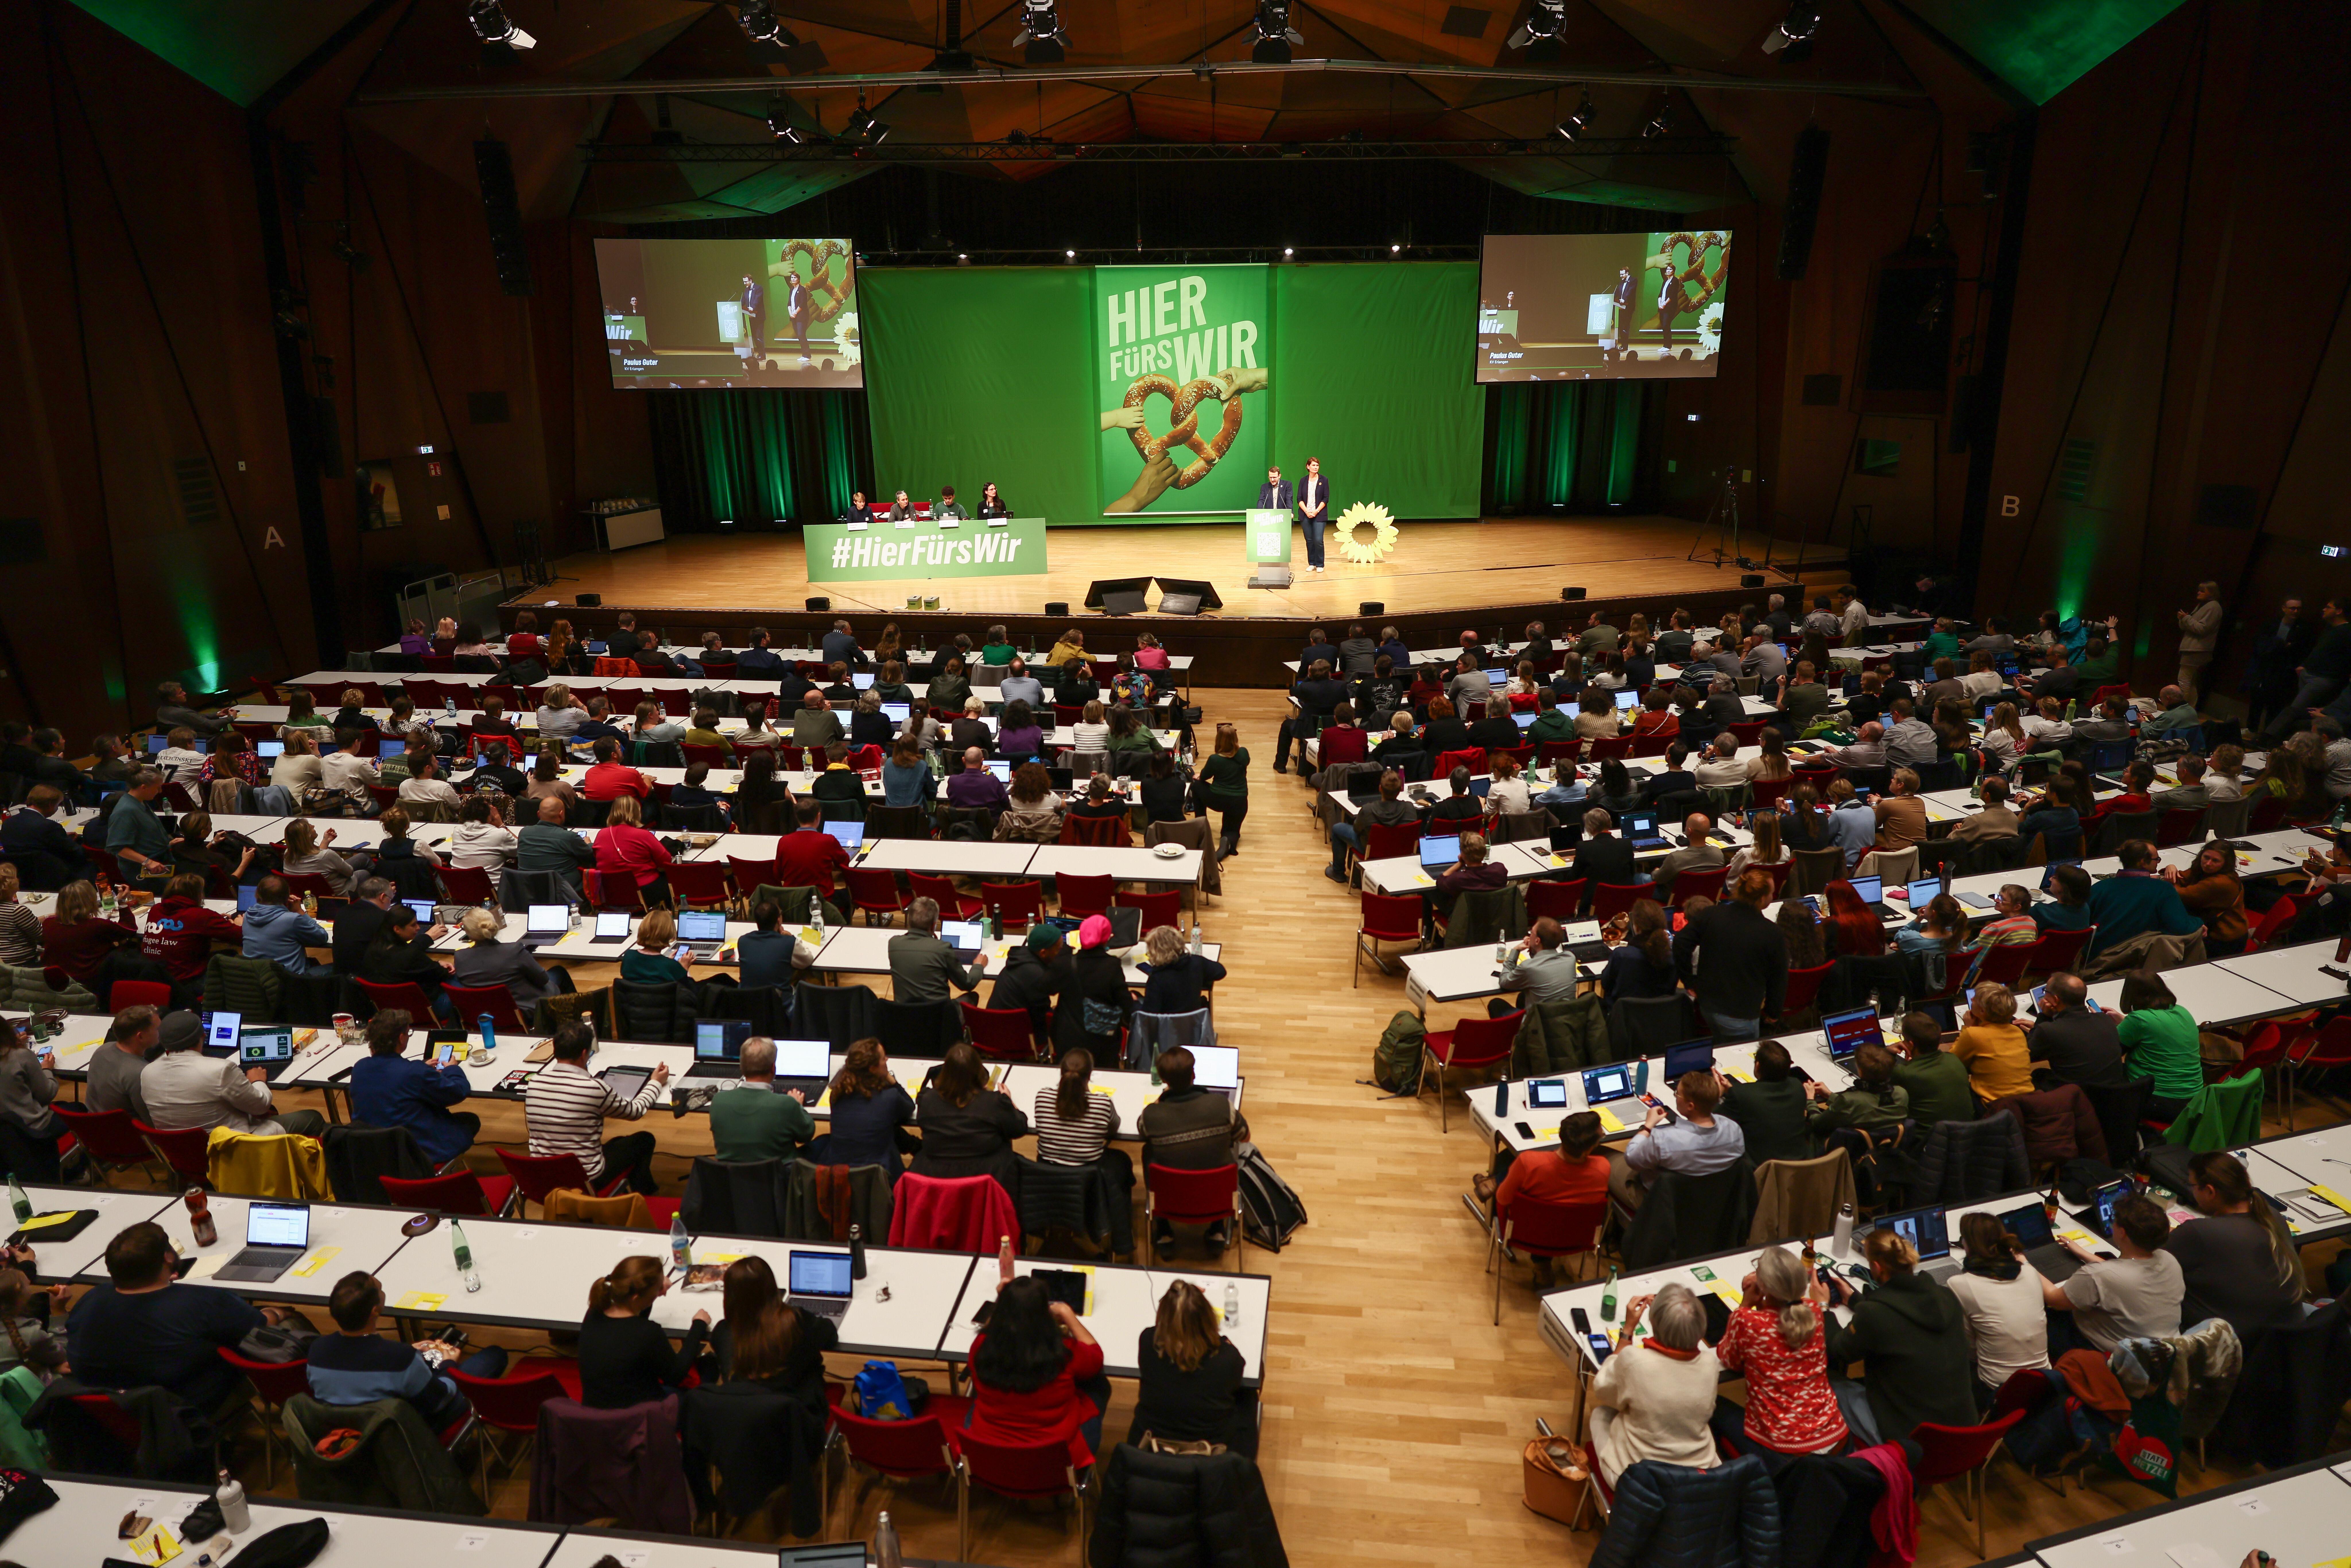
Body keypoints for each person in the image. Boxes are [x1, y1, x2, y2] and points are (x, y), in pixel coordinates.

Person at [68, 1222, 293, 1412]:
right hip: (184, 1412)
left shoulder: (90, 1300)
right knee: (287, 1324)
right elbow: (259, 1326)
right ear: (168, 1258)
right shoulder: (203, 1303)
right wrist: (280, 1312)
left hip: (111, 1416)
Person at [1819, 1226, 1976, 1444]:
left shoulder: (1875, 1315)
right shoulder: (1946, 1297)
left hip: (1910, 1442)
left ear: (1876, 1267)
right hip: (1963, 1438)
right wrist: (1855, 1301)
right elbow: (1901, 1315)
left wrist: (1823, 1307)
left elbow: (1836, 1351)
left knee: (1828, 1381)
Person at [310, 1271, 506, 1426]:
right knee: (495, 1356)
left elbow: (358, 1372)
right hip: (409, 1431)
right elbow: (440, 1401)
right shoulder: (400, 1359)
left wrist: (408, 1352)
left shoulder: (317, 1351)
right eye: (381, 1290)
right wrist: (449, 1366)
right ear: (375, 1311)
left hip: (354, 1432)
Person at [1712, 1245, 1848, 1462]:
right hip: (1835, 1439)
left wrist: (1746, 1305)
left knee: (1714, 1403)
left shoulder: (1748, 1322)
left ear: (1764, 1286)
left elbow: (1729, 1358)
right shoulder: (1814, 1310)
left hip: (1787, 1454)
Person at [967, 1273, 1110, 1469]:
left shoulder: (981, 1346)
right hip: (1053, 1456)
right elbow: (1096, 1357)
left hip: (991, 1450)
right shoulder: (1063, 1352)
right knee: (1099, 1384)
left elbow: (991, 1328)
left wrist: (1006, 1301)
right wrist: (1069, 1316)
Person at [1586, 1283, 1719, 1486]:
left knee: (1600, 1414)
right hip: (1697, 1476)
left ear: (1654, 1324)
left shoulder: (1635, 1361)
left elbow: (1603, 1389)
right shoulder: (1710, 1365)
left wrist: (1628, 1331)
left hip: (1639, 1481)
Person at [2166, 1151, 2305, 1337]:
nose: (2191, 1191)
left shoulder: (2198, 1233)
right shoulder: (2272, 1215)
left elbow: (2147, 1264)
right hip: (2284, 1341)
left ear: (2210, 1191)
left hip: (2231, 1347)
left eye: (2192, 1185)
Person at [527, 1020, 666, 1194]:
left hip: (544, 1179)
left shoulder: (535, 1082)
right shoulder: (594, 1088)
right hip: (585, 1181)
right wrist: (655, 1083)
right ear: (585, 1054)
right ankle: (645, 1195)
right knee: (644, 1140)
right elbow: (635, 1111)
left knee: (617, 1143)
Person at [140, 1007, 325, 1137]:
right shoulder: (220, 1069)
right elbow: (261, 1106)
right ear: (203, 1036)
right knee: (312, 1118)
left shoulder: (147, 1072)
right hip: (234, 1147)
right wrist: (258, 1081)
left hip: (186, 1154)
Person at [2040, 1192, 2183, 1355]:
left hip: (2107, 1356)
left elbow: (2054, 1299)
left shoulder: (2098, 1276)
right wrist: (2083, 1253)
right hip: (2163, 1353)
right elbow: (2123, 1276)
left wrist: (2024, 1262)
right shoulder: (2169, 1260)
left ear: (2122, 1233)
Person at [1138, 1047, 1244, 1246]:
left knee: (1148, 1151)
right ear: (1194, 1075)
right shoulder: (1221, 1105)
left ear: (1164, 1080)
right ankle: (1217, 1229)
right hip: (1216, 1195)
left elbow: (1143, 1132)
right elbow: (1245, 1136)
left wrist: (1162, 1101)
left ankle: (1163, 1230)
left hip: (1171, 1199)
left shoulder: (1151, 1115)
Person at [1944, 1211, 2051, 1410]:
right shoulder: (2028, 1271)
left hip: (1997, 1390)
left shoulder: (1960, 1284)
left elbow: (1970, 1349)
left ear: (1967, 1244)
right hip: (2043, 1381)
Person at [348, 1007, 478, 1163]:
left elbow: (391, 1076)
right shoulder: (414, 1072)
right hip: (418, 1151)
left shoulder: (360, 1068)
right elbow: (458, 1092)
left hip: (377, 1151)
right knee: (470, 1120)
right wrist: (452, 1069)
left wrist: (420, 1067)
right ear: (401, 1038)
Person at [580, 1255, 710, 1409]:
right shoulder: (648, 1333)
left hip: (595, 1414)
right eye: (657, 1289)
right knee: (702, 1383)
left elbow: (631, 1314)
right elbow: (675, 1376)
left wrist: (654, 1290)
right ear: (636, 1297)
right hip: (638, 1418)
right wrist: (698, 1326)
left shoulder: (595, 1312)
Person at [1671, 868, 1786, 1041]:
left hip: (1708, 1006)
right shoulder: (1772, 933)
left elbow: (1680, 943)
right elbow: (1779, 978)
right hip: (1740, 1016)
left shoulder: (1711, 915)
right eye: (1772, 893)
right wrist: (1773, 1012)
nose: (1774, 895)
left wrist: (1689, 981)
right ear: (1763, 899)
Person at [1615, 1066, 1745, 1211]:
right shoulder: (1734, 1130)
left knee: (1609, 1161)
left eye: (1678, 1094)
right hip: (1716, 1205)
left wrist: (1648, 1126)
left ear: (1691, 1106)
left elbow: (1632, 1158)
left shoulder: (1664, 1140)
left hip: (1664, 1206)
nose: (1676, 1096)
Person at [911, 1041, 1029, 1180]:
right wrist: (1009, 1102)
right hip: (987, 1178)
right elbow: (1020, 1127)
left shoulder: (927, 1100)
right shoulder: (994, 1102)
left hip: (936, 1178)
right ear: (979, 1072)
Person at [708, 1037, 817, 1163]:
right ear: (773, 1068)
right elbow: (806, 1135)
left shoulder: (718, 1101)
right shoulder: (787, 1104)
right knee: (824, 1143)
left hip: (732, 1177)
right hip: (779, 1178)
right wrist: (798, 1106)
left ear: (742, 1067)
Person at [2115, 971, 2204, 1121]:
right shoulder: (2183, 1012)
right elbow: (2156, 1032)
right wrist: (2125, 1022)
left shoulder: (2139, 1020)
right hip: (2195, 1098)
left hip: (2160, 1101)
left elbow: (2111, 1051)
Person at [823, 1039, 917, 1179]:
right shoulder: (889, 1097)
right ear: (873, 1069)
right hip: (881, 1179)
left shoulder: (837, 1095)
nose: (887, 1060)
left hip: (841, 1177)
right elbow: (909, 1106)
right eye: (883, 1059)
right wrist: (891, 1080)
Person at [1802, 1039, 1909, 1140]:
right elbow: (1862, 1106)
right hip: (1885, 1149)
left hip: (1851, 1152)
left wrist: (1811, 1099)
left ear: (1861, 1071)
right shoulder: (1902, 1094)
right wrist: (1830, 1095)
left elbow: (1817, 1124)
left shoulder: (1850, 1100)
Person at [360, 904, 454, 1018]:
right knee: (461, 980)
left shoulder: (374, 949)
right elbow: (442, 974)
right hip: (427, 1009)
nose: (418, 928)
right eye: (413, 925)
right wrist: (439, 965)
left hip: (390, 1010)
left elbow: (408, 955)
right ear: (397, 929)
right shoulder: (411, 956)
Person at [889, 896, 989, 1002]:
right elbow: (967, 984)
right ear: (933, 926)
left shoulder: (893, 944)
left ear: (909, 921)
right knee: (973, 997)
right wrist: (978, 966)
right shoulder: (942, 949)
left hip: (905, 1015)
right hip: (939, 1016)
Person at [1889, 1010, 1976, 1130]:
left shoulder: (1905, 1072)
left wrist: (1888, 1053)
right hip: (1966, 1137)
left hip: (1927, 1144)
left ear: (1910, 1045)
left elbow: (1875, 1073)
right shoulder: (1954, 1060)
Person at [2165, 839, 2247, 951]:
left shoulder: (2221, 882)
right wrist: (2171, 868)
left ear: (2225, 863)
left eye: (2215, 861)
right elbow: (2183, 878)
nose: (2208, 864)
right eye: (2206, 858)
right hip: (2211, 929)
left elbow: (2181, 895)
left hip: (2224, 939)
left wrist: (2168, 880)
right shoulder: (2204, 870)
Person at [85, 1004, 160, 1124]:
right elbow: (152, 1122)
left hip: (94, 1128)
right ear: (140, 1036)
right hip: (126, 1136)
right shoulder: (140, 1074)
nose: (160, 1032)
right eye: (157, 1029)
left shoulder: (103, 1050)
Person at [1137, 924, 1224, 1015]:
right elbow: (1221, 972)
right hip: (1195, 1024)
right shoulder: (1196, 962)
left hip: (1167, 1027)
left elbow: (1149, 1016)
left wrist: (1135, 1003)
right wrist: (1199, 977)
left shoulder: (1157, 979)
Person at [1598, 902, 1676, 1001]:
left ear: (1637, 927)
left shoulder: (1622, 955)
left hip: (1623, 1014)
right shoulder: (1672, 958)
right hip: (1659, 1015)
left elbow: (1606, 984)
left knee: (1586, 996)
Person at [1196, 723, 1250, 860]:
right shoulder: (1243, 754)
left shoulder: (1215, 759)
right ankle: (1227, 844)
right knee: (1231, 831)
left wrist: (1198, 777)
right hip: (1239, 802)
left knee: (1196, 786)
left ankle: (1201, 825)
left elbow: (1204, 777)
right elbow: (1239, 755)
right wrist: (1233, 745)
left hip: (1218, 799)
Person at [1567, 809, 1637, 913]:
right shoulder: (1626, 844)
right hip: (1624, 904)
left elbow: (1573, 879)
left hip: (1593, 905)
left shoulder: (1584, 847)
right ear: (1609, 823)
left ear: (1590, 828)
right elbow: (1632, 873)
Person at [1649, 812, 1723, 901]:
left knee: (1640, 878)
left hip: (1676, 899)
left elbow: (1659, 879)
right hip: (1706, 897)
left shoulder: (1676, 858)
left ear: (1689, 831)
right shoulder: (1718, 853)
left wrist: (1656, 871)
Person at [2175, 581, 2223, 704]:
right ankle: (2189, 710)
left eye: (2203, 591)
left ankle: (2181, 710)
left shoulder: (2213, 607)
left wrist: (2186, 618)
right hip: (2194, 649)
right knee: (2191, 683)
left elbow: (2203, 629)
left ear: (2212, 593)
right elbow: (2191, 626)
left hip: (2197, 650)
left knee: (2184, 681)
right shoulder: (2204, 605)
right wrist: (2184, 619)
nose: (2199, 593)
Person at [946, 747, 1010, 813]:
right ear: (982, 761)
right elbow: (1006, 804)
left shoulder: (953, 781)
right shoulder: (993, 781)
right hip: (988, 822)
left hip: (959, 821)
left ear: (963, 760)